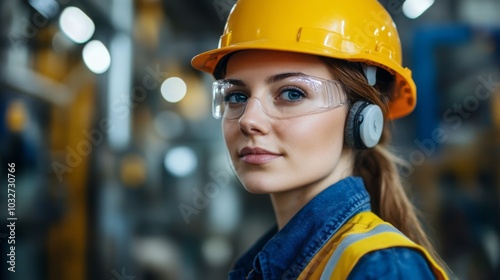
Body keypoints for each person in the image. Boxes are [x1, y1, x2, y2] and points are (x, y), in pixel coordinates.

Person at [192, 0, 450, 279]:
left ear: (362, 119)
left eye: (292, 94)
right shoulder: (269, 265)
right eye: (236, 96)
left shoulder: (382, 269)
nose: (248, 120)